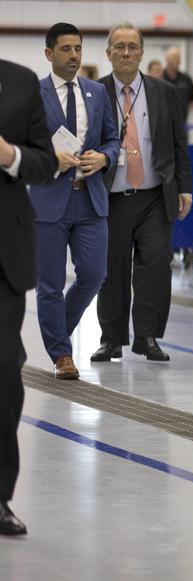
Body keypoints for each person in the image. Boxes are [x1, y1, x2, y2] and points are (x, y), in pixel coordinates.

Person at [95, 23, 193, 363]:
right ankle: (111, 339)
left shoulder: (165, 92)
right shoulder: (94, 93)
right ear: (108, 53)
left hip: (154, 194)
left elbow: (179, 144)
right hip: (111, 196)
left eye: (132, 46)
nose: (125, 52)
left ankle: (148, 337)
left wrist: (186, 188)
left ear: (141, 52)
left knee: (156, 263)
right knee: (111, 267)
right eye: (118, 46)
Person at [30, 24, 120, 381]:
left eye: (78, 49)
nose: (74, 56)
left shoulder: (97, 93)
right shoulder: (32, 95)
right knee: (49, 283)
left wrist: (105, 159)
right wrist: (50, 159)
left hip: (89, 200)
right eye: (66, 49)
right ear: (49, 54)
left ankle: (57, 334)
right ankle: (62, 355)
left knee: (95, 274)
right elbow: (20, 147)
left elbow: (112, 139)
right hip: (48, 201)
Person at [0, 58, 57, 537]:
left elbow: (43, 161)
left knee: (3, 377)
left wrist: (8, 156)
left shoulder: (19, 83)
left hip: (4, 259)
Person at [161, 46, 193, 126]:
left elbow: (192, 100)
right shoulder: (160, 78)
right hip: (162, 125)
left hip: (182, 125)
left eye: (178, 58)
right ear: (167, 59)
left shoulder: (187, 80)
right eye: (174, 57)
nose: (177, 60)